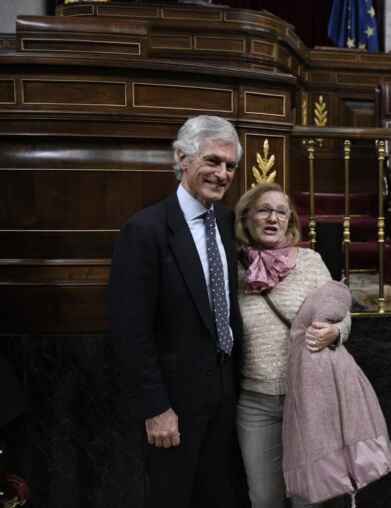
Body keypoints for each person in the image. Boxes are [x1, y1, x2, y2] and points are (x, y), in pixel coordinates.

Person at [109, 115, 243, 507]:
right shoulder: (144, 230)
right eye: (213, 161)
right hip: (173, 400)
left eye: (230, 166)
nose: (222, 174)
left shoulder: (226, 218)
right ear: (182, 158)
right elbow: (130, 330)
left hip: (223, 389)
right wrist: (156, 409)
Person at [234, 182, 351, 508]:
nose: (272, 218)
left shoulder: (311, 262)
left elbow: (343, 317)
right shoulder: (233, 268)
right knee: (264, 499)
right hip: (254, 403)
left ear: (290, 222)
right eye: (263, 210)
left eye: (281, 212)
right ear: (246, 219)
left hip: (308, 399)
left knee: (307, 499)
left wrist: (335, 332)